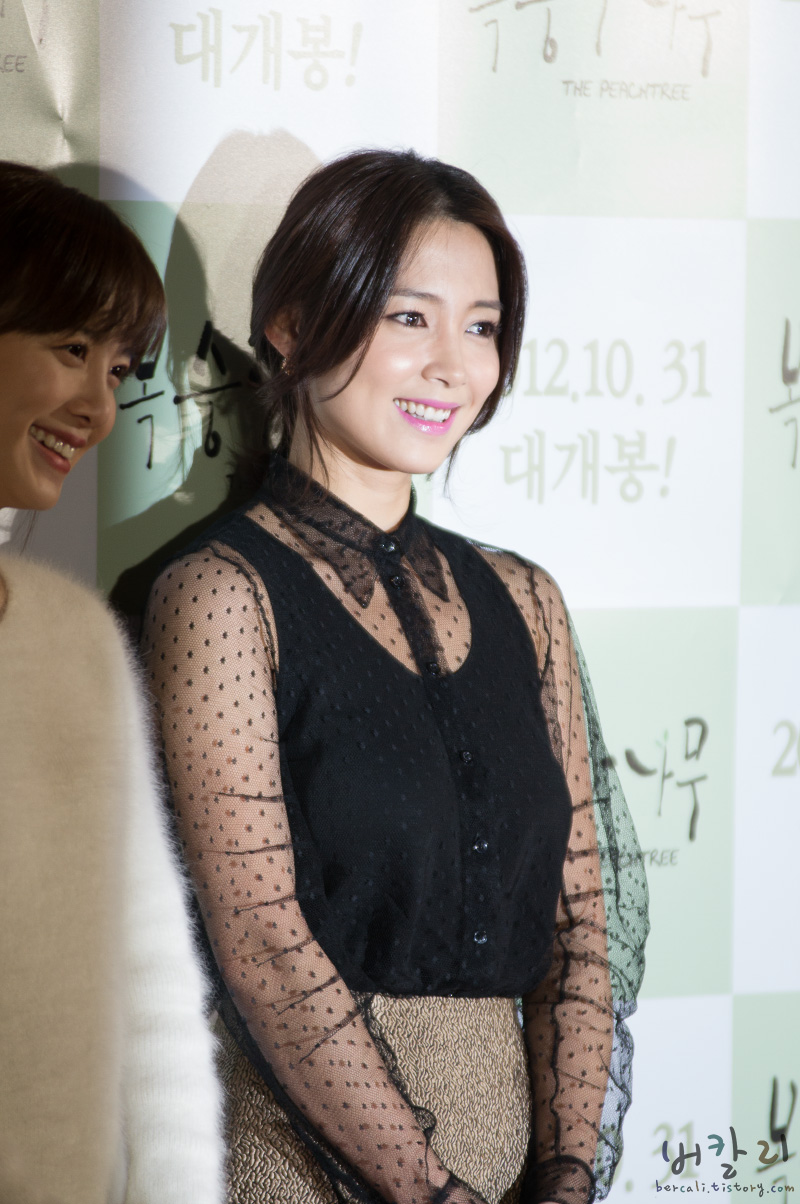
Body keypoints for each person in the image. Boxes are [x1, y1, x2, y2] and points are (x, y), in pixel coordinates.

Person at [143, 149, 649, 1204]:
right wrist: (426, 1189)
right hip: (298, 1161)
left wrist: (563, 1172)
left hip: (514, 1168)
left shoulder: (525, 600)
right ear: (289, 325)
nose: (452, 366)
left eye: (482, 327)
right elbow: (263, 944)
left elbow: (582, 931)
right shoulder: (221, 594)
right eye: (409, 317)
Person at [0, 161, 224, 1204]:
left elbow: (150, 986)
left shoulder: (75, 638)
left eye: (120, 367)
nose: (98, 406)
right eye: (72, 349)